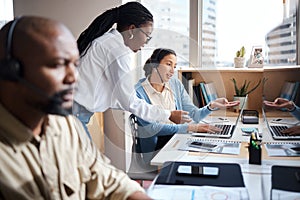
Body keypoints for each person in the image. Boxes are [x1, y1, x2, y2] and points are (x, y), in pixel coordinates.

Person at [0, 16, 151, 200]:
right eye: (58, 65)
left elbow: (107, 178)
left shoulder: (66, 126)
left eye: (74, 65)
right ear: (10, 71)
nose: (73, 78)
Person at [73, 1, 189, 137]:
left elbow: (121, 97)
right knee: (87, 157)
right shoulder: (117, 50)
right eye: (147, 35)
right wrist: (168, 114)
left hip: (74, 111)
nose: (146, 41)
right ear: (132, 30)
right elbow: (129, 101)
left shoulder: (109, 42)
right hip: (73, 114)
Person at [134, 48, 240, 164]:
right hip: (156, 150)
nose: (172, 71)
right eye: (168, 64)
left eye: (174, 66)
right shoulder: (139, 92)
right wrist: (189, 128)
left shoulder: (175, 84)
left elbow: (194, 115)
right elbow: (151, 129)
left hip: (178, 139)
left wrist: (211, 106)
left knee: (214, 153)